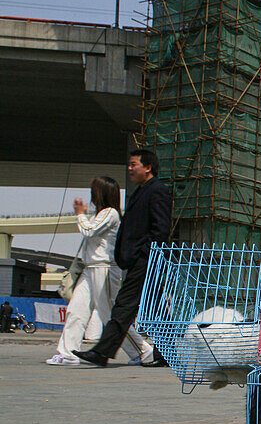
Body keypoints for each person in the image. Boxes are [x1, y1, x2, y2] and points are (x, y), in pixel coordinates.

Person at [74, 150, 172, 368]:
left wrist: (144, 254)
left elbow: (161, 229)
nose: (129, 169)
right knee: (155, 308)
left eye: (133, 165)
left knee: (124, 305)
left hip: (146, 261)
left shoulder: (157, 191)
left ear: (147, 167)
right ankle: (167, 353)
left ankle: (102, 352)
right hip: (141, 259)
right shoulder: (141, 191)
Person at [47, 177, 154, 366]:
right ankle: (67, 354)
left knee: (109, 314)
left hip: (104, 268)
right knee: (76, 310)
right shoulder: (100, 214)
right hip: (90, 268)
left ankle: (142, 350)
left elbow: (89, 231)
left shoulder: (110, 213)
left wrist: (80, 214)